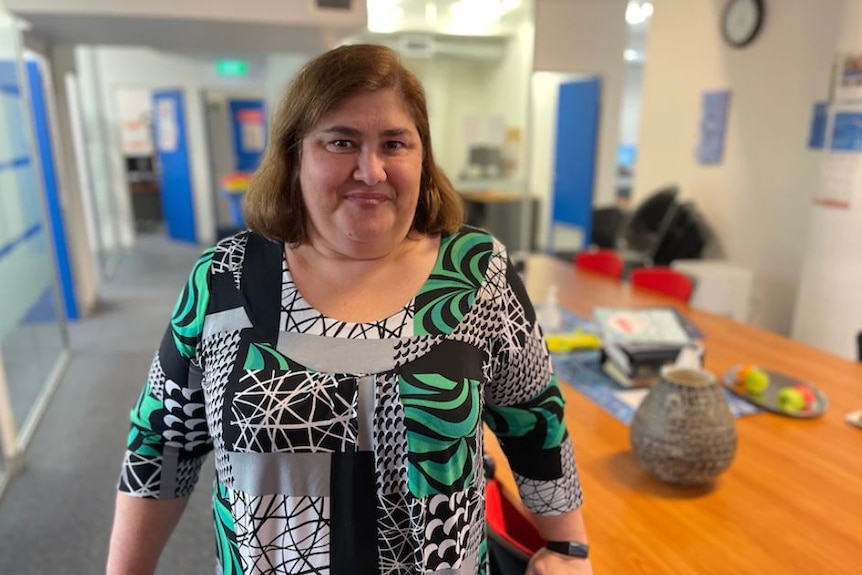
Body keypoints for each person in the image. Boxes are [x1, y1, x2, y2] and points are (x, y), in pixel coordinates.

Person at [107, 43, 592, 575]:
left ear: (422, 157)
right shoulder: (224, 279)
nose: (372, 170)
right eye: (341, 142)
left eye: (395, 143)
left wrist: (566, 546)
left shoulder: (477, 274)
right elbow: (162, 442)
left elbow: (534, 418)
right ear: (295, 156)